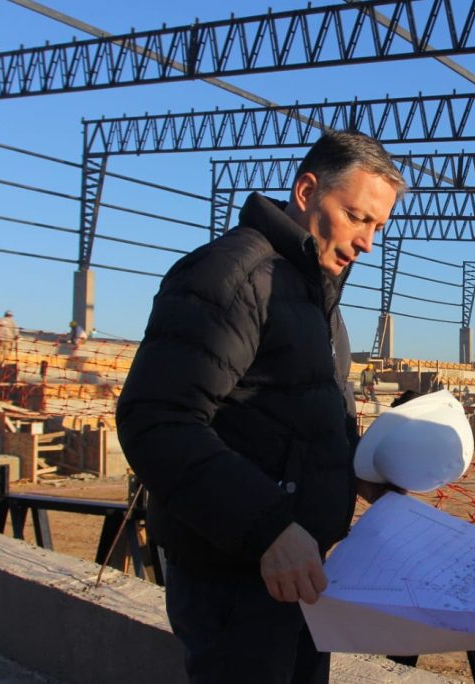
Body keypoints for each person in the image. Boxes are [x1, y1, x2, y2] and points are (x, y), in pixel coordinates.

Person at [116, 131, 406, 684]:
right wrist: (268, 528)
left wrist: (369, 477)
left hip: (299, 575)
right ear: (305, 191)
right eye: (356, 217)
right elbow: (156, 419)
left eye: (377, 227)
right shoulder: (230, 275)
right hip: (236, 580)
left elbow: (306, 428)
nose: (367, 241)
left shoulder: (316, 299)